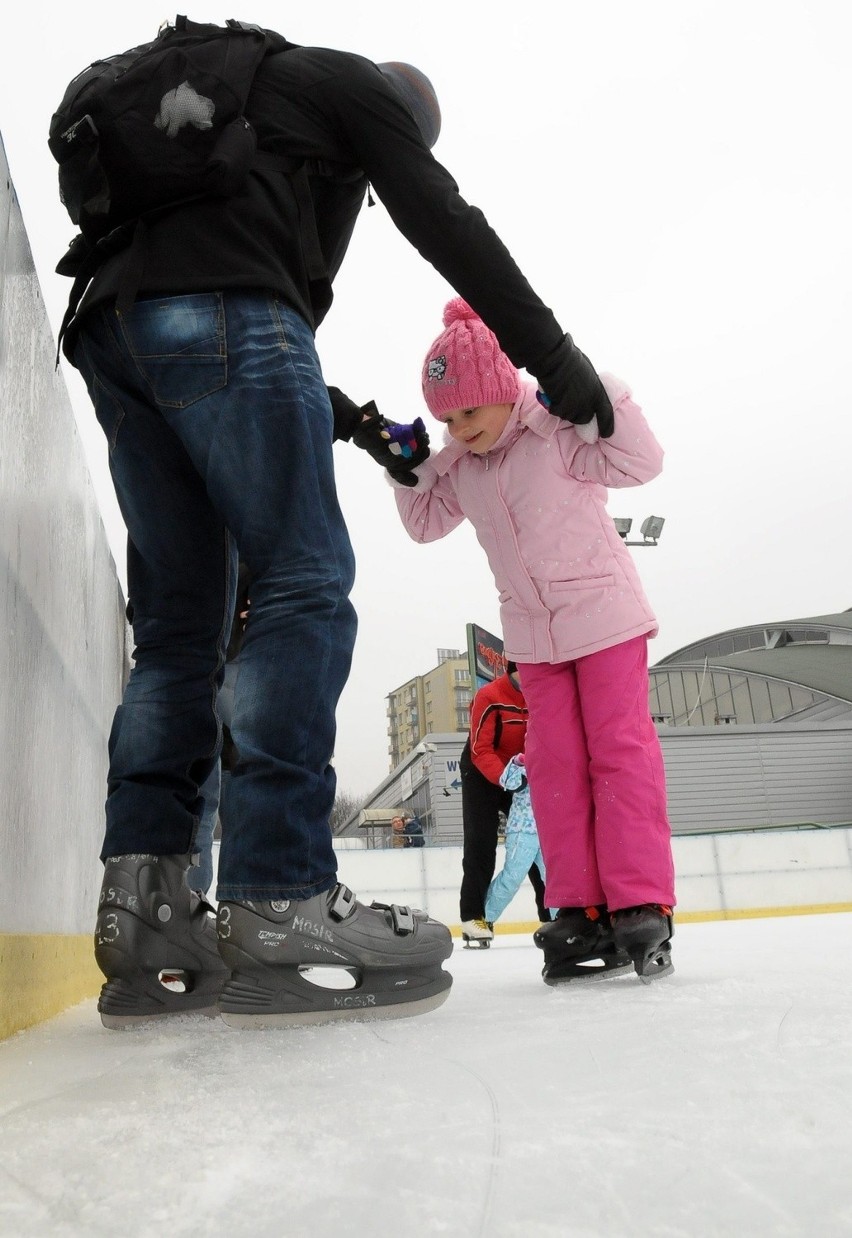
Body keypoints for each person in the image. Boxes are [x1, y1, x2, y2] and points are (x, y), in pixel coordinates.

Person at [58, 22, 613, 1030]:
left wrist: (342, 412)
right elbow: (446, 222)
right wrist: (557, 360)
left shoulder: (254, 109)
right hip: (221, 306)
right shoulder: (355, 89)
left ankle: (143, 904)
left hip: (111, 327)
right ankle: (279, 890)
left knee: (180, 629)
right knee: (302, 581)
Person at [390, 299, 676, 983]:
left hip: (604, 620)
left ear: (498, 391)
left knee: (617, 753)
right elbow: (424, 523)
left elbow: (642, 462)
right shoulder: (462, 463)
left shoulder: (554, 427)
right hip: (535, 642)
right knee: (553, 769)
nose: (459, 430)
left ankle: (639, 900)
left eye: (468, 413)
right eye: (446, 420)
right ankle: (577, 906)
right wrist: (407, 467)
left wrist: (594, 391)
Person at [458, 663, 548, 947]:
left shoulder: (541, 695)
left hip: (521, 773)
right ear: (515, 669)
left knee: (537, 843)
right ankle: (474, 918)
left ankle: (551, 917)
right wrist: (504, 777)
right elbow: (479, 748)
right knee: (480, 843)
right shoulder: (489, 695)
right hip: (482, 773)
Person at [484, 755, 547, 928]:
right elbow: (508, 783)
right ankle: (485, 917)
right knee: (512, 878)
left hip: (548, 833)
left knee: (554, 880)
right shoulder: (522, 763)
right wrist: (518, 763)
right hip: (522, 831)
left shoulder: (556, 762)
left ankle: (562, 921)